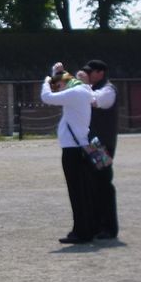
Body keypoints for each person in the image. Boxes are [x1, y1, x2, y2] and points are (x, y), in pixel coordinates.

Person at [42, 68, 97, 245]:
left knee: (76, 193)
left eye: (59, 86)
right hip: (81, 147)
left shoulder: (74, 93)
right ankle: (87, 228)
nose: (58, 89)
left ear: (66, 83)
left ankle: (81, 232)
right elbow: (62, 81)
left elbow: (47, 97)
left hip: (72, 150)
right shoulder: (82, 91)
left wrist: (46, 81)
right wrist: (57, 72)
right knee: (84, 191)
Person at [83, 60, 120, 239]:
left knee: (103, 184)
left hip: (101, 144)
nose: (87, 75)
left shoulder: (108, 90)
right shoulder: (94, 88)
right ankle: (96, 224)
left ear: (100, 73)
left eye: (90, 72)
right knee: (92, 185)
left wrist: (81, 87)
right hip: (92, 143)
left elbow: (96, 101)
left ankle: (109, 226)